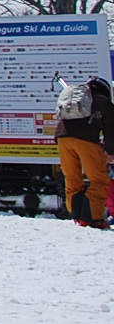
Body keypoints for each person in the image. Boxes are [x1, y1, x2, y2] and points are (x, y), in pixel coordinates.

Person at [56, 77, 114, 228]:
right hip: (86, 140)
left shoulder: (74, 99)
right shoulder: (102, 101)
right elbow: (111, 130)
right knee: (99, 179)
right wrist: (110, 152)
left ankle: (77, 216)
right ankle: (94, 218)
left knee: (73, 178)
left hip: (63, 138)